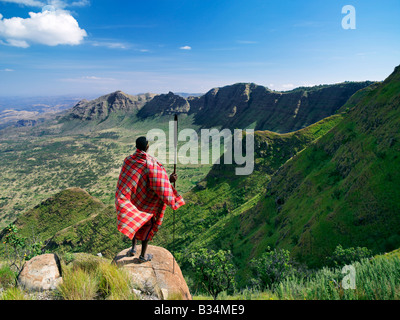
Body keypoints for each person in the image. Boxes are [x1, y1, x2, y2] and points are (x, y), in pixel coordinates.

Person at [115, 136, 185, 262]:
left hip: (134, 198)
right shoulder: (150, 162)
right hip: (147, 200)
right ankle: (142, 256)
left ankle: (132, 249)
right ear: (147, 147)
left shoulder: (128, 160)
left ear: (136, 146)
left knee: (136, 220)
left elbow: (124, 179)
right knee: (147, 224)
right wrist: (170, 181)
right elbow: (159, 183)